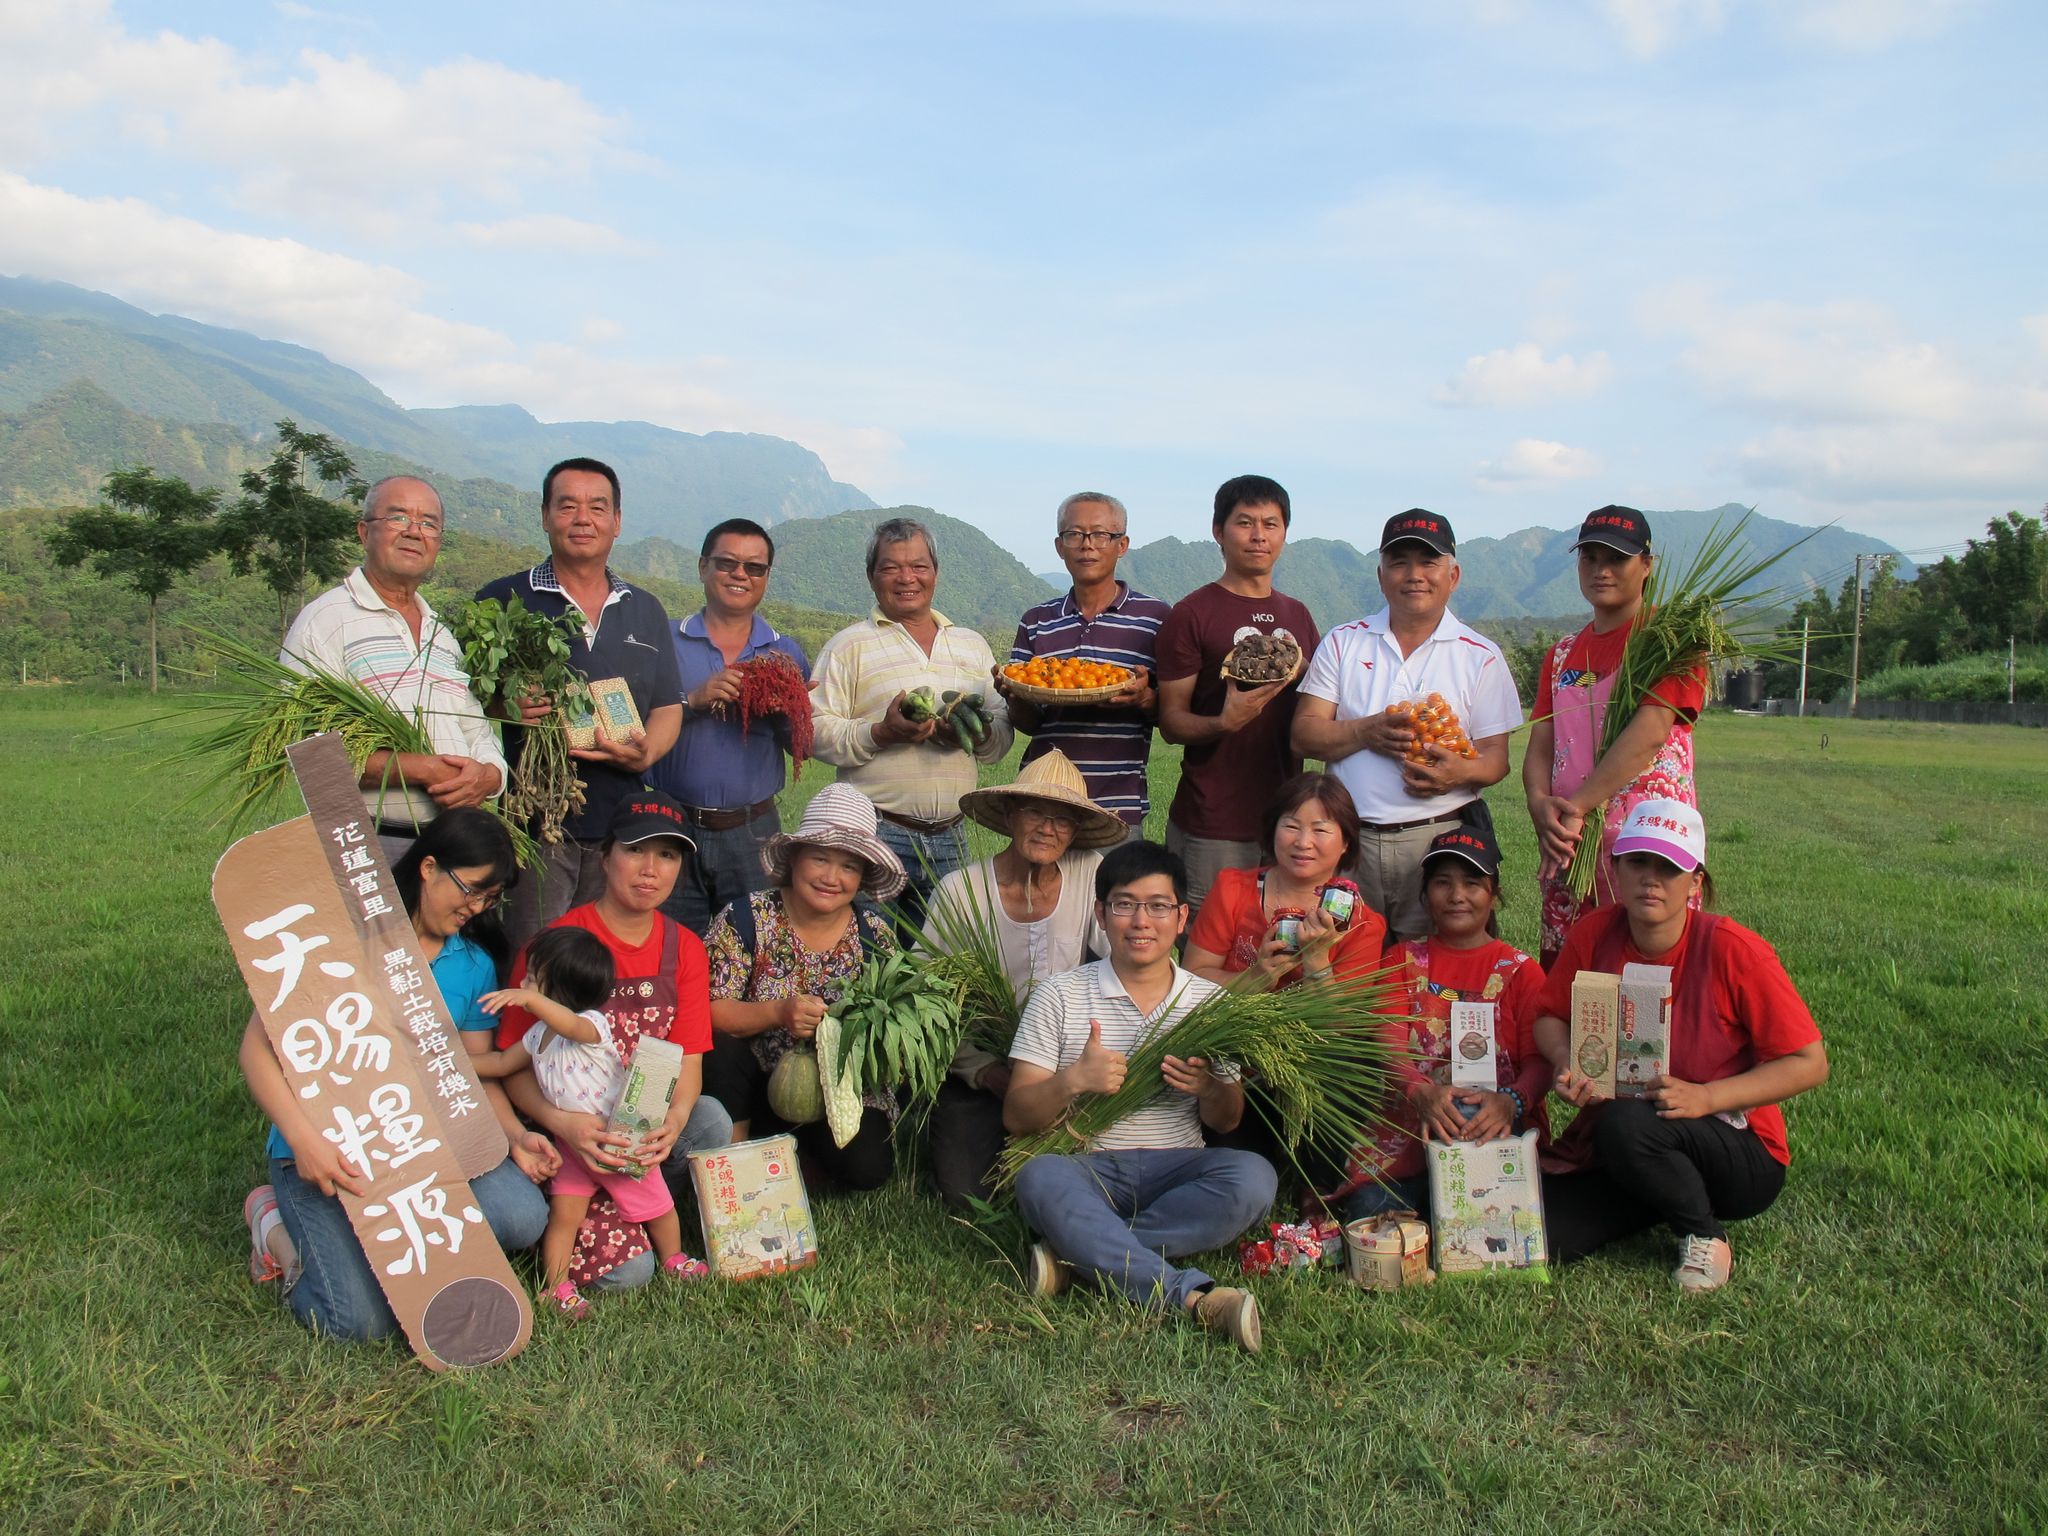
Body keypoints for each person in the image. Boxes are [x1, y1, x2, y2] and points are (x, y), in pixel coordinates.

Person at [237, 808, 551, 1342]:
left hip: (423, 1141)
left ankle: (388, 1243)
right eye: (471, 889)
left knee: (522, 1215)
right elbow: (255, 1050)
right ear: (428, 867)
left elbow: (471, 1070)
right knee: (358, 1323)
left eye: (489, 898)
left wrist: (516, 1136)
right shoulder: (339, 940)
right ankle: (273, 1223)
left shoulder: (472, 963)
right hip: (329, 1144)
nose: (475, 908)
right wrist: (303, 1139)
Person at [1533, 800, 1828, 1291]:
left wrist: (1705, 1097)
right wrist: (1566, 1062)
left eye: (1670, 868)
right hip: (1623, 1136)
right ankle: (1659, 1194)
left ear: (1695, 883)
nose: (1652, 879)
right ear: (1617, 869)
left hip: (1736, 1146)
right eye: (1638, 862)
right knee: (1549, 1232)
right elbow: (1549, 1016)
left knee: (1629, 1123)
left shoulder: (1734, 949)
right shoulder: (1593, 933)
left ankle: (1704, 1235)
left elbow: (1809, 1063)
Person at [1005, 841, 1276, 1354]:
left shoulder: (1209, 1003)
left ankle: (1075, 1254)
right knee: (1039, 1177)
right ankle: (1191, 1297)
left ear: (1181, 917)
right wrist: (1072, 1082)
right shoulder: (1058, 995)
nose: (1141, 921)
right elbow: (1017, 1116)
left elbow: (1226, 1120)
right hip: (1087, 1167)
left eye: (1157, 906)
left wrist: (1209, 1089)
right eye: (1125, 905)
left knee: (1253, 1177)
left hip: (1179, 1167)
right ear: (1101, 916)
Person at [492, 792, 734, 1294]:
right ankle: (597, 1218)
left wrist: (673, 1123)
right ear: (604, 857)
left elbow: (688, 1057)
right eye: (635, 850)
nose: (650, 869)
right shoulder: (556, 945)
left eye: (667, 855)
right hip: (569, 1135)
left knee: (710, 1118)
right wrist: (565, 1124)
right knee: (630, 1275)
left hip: (637, 1133)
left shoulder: (684, 947)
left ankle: (638, 1207)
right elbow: (516, 1061)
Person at [478, 457, 685, 948]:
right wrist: (503, 708)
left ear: (617, 521)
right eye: (567, 506)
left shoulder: (645, 607)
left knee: (602, 958)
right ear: (546, 515)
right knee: (532, 954)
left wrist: (647, 752)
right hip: (534, 821)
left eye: (597, 507)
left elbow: (668, 705)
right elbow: (461, 701)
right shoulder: (503, 600)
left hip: (621, 827)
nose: (582, 518)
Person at [1291, 510, 1521, 941]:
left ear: (1453, 575)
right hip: (1349, 843)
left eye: (1428, 562)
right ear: (1381, 576)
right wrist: (1365, 730)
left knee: (1432, 970)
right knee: (1343, 966)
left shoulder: (1480, 655)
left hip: (1440, 843)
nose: (1414, 575)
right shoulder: (1344, 641)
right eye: (1400, 562)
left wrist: (1460, 772)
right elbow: (1304, 733)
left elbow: (1496, 760)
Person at [921, 750, 1124, 1208]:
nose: (1048, 829)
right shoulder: (962, 890)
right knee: (969, 1193)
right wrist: (984, 1070)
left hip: (1066, 1062)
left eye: (1063, 819)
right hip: (984, 1062)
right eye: (1035, 811)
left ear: (1075, 831)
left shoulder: (1089, 872)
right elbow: (925, 997)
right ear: (1011, 814)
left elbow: (1128, 958)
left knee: (1092, 1175)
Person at [1328, 824, 1548, 1223]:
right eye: (1442, 883)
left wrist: (1509, 1102)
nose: (1457, 896)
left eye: (1472, 883)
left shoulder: (1522, 972)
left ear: (1494, 894)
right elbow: (1389, 1044)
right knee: (1368, 1210)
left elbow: (1541, 1062)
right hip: (1414, 1126)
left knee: (1488, 1199)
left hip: (1494, 1127)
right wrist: (1419, 1092)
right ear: (1426, 895)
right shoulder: (1402, 960)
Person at [280, 475, 506, 860]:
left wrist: (488, 776)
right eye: (398, 518)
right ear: (364, 531)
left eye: (429, 523)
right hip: (371, 841)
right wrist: (422, 770)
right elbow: (310, 754)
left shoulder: (441, 635)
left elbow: (477, 730)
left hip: (453, 845)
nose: (415, 533)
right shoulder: (324, 621)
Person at [478, 927, 699, 1318]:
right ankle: (557, 1286)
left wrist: (530, 1000)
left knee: (657, 1205)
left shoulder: (592, 1026)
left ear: (560, 990)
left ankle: (673, 1258)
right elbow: (499, 1064)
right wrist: (452, 1059)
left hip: (618, 1141)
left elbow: (569, 1024)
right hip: (573, 1147)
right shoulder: (535, 1037)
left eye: (533, 977)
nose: (524, 984)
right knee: (565, 1216)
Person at [1523, 505, 1706, 969]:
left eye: (1616, 559)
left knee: (1648, 972)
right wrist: (1539, 804)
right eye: (1589, 558)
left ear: (1646, 565)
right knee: (1574, 972)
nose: (1601, 571)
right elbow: (1542, 741)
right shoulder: (1563, 653)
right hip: (1569, 839)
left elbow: (1650, 731)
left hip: (1646, 842)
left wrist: (1577, 806)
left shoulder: (1670, 638)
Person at [701, 784, 906, 1189]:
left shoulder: (875, 937)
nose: (832, 877)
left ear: (863, 876)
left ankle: (793, 1160)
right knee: (719, 1051)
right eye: (820, 859)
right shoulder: (746, 918)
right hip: (755, 1086)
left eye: (849, 866)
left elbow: (892, 1032)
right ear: (794, 859)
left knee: (867, 1168)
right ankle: (738, 1158)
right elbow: (709, 1010)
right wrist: (778, 1012)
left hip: (838, 1092)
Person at [809, 517, 1013, 924]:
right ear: (871, 576)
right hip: (874, 833)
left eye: (918, 566)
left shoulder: (971, 645)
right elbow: (812, 731)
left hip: (952, 837)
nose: (907, 578)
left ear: (935, 573)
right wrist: (881, 733)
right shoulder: (849, 646)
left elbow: (1001, 735)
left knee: (939, 967)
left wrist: (972, 732)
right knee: (867, 962)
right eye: (891, 567)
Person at [1155, 475, 1321, 915]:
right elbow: (1170, 722)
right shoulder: (1191, 614)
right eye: (1245, 523)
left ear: (1285, 532)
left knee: (1283, 942)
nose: (1258, 536)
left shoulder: (1298, 615)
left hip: (1288, 820)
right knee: (1208, 942)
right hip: (1215, 822)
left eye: (1271, 524)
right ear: (1218, 531)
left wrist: (1305, 676)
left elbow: (1320, 706)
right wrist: (1222, 722)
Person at [648, 517, 811, 936]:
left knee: (755, 948)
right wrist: (694, 700)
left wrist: (782, 713)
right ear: (703, 566)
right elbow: (635, 724)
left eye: (754, 568)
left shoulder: (784, 652)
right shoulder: (664, 640)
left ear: (766, 578)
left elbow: (801, 746)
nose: (740, 574)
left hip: (753, 832)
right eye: (727, 563)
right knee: (668, 946)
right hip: (671, 823)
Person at [994, 492, 1170, 828]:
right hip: (1042, 802)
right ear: (1060, 546)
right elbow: (1030, 723)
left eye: (1101, 535)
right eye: (1074, 534)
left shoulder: (1156, 618)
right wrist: (1013, 695)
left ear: (1122, 545)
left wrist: (1145, 698)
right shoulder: (1036, 620)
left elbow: (1172, 715)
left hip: (1118, 808)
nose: (1087, 545)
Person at [1182, 772, 1389, 994]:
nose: (1303, 842)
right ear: (1273, 830)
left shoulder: (1361, 925)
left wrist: (1317, 958)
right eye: (1291, 827)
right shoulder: (1231, 890)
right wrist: (1256, 978)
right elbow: (1193, 979)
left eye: (1320, 830)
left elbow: (1343, 1024)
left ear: (1346, 843)